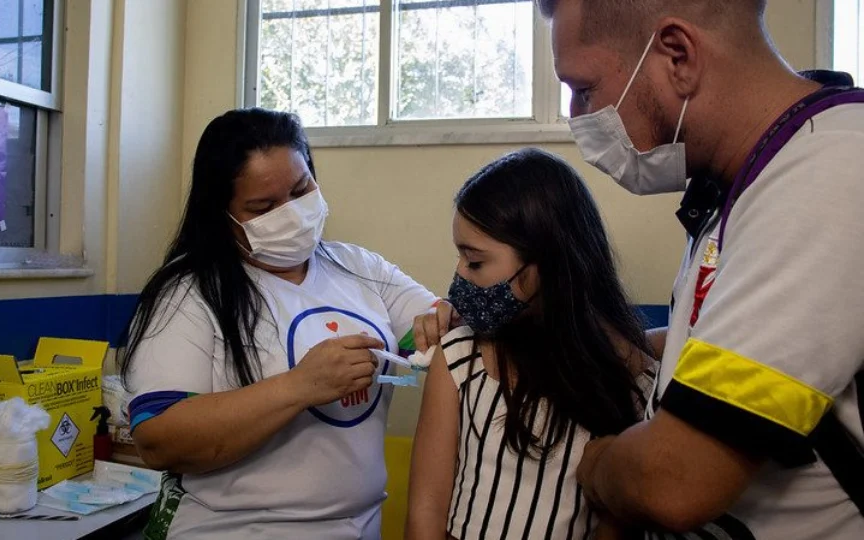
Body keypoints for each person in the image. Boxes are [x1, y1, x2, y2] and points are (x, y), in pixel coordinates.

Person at [540, 0, 864, 538]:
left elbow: (675, 481)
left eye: (585, 89)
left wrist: (597, 465)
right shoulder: (745, 181)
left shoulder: (828, 175)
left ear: (678, 55)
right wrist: (634, 346)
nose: (577, 117)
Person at [119, 108, 443, 539]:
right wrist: (301, 385)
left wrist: (444, 321)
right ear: (223, 214)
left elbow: (433, 329)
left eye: (300, 189)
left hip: (359, 526)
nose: (291, 212)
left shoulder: (360, 268)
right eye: (263, 206)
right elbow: (159, 439)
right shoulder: (189, 292)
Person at [405, 148, 654, 540]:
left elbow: (619, 522)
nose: (459, 277)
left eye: (475, 262)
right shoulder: (459, 357)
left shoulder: (635, 381)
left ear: (545, 265)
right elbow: (425, 512)